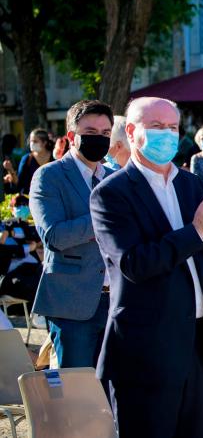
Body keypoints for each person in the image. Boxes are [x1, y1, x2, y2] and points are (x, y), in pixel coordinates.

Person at [89, 96, 203, 437]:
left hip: (194, 343)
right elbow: (134, 263)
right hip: (145, 349)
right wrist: (197, 230)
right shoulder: (111, 194)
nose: (167, 135)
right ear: (131, 131)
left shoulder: (189, 183)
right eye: (156, 127)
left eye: (172, 127)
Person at [29, 100, 114, 368]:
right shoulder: (49, 176)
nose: (98, 139)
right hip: (72, 303)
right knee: (75, 393)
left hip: (117, 301)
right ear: (70, 136)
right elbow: (54, 236)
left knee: (111, 396)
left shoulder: (114, 177)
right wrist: (103, 219)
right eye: (90, 132)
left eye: (105, 134)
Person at [0, 194, 43, 304]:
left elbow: (37, 241)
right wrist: (26, 247)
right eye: (19, 205)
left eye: (25, 205)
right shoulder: (6, 225)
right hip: (10, 276)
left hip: (29, 272)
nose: (22, 207)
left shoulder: (29, 227)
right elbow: (2, 243)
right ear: (11, 208)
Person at [15, 129, 55, 194]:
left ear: (44, 142)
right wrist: (10, 170)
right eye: (31, 141)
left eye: (35, 141)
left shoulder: (54, 158)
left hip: (51, 196)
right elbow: (19, 182)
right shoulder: (26, 159)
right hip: (30, 198)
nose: (32, 144)